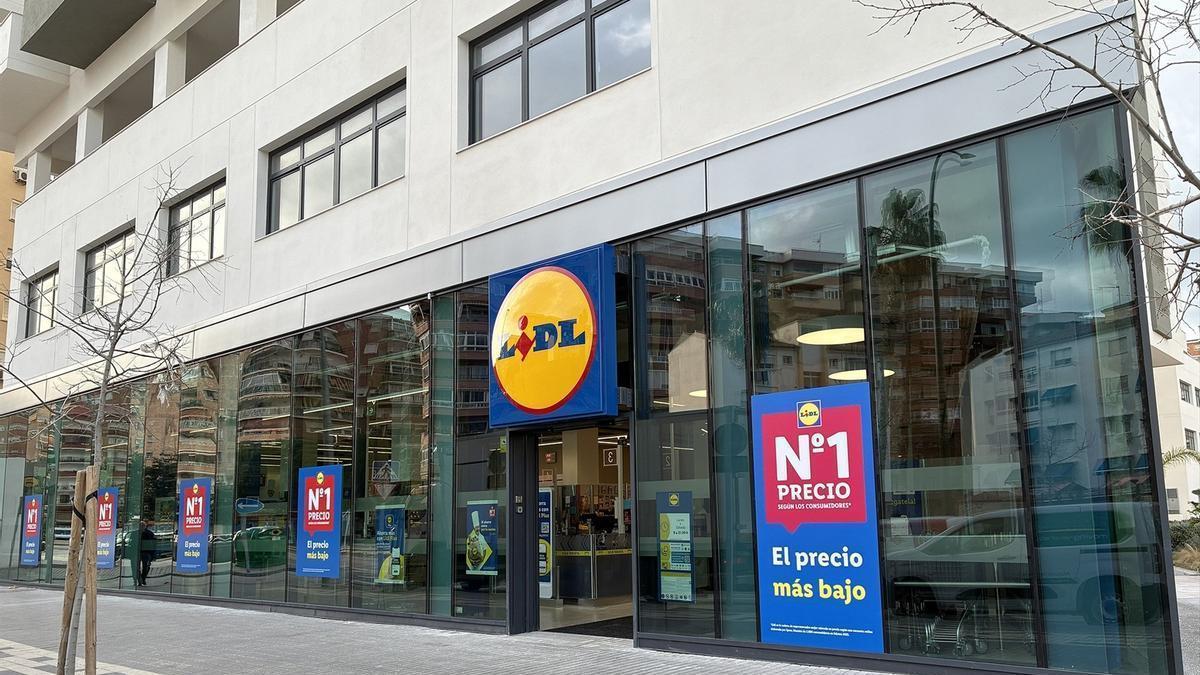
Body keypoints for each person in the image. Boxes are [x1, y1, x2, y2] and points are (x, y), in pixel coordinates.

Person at [136, 520, 157, 586]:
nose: (141, 527)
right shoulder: (136, 533)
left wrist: (153, 554)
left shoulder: (149, 533)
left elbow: (153, 544)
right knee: (139, 567)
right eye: (140, 526)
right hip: (140, 552)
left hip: (146, 552)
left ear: (145, 526)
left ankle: (142, 579)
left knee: (146, 567)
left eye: (143, 526)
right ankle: (141, 579)